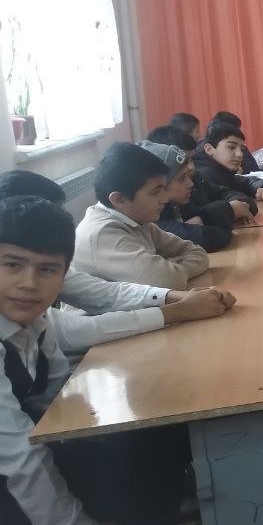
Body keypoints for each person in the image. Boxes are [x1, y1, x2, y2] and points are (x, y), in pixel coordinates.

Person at [0, 197, 196, 525]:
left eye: (47, 270)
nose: (29, 283)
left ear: (64, 275)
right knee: (142, 490)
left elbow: (59, 398)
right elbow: (18, 454)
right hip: (10, 483)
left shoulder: (37, 321)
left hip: (22, 463)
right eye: (12, 265)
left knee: (154, 439)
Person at [0, 170, 233, 356]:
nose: (29, 282)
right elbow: (76, 329)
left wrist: (178, 299)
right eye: (12, 265)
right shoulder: (101, 231)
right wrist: (180, 309)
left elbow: (107, 293)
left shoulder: (45, 277)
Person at [74, 143, 210, 289]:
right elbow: (166, 279)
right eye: (155, 192)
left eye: (164, 189)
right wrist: (167, 269)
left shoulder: (138, 220)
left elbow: (199, 254)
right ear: (119, 199)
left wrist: (168, 268)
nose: (165, 199)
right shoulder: (102, 234)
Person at [144, 126, 237, 249]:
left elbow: (213, 210)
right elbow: (204, 237)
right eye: (182, 178)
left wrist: (201, 220)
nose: (190, 184)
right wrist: (192, 230)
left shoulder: (177, 200)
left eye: (192, 159)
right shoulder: (151, 216)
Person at [196, 122, 263, 205]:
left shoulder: (221, 171)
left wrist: (262, 188)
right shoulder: (204, 174)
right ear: (209, 149)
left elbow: (245, 182)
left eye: (242, 149)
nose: (239, 154)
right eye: (231, 147)